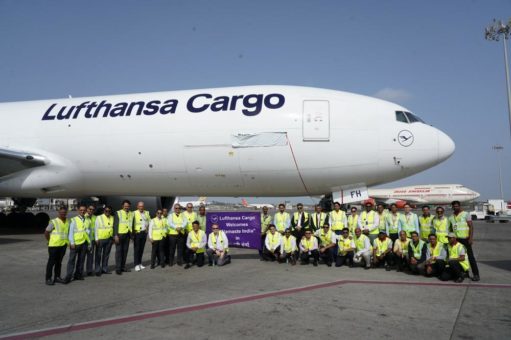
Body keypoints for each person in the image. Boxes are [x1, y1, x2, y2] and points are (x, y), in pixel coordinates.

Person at [449, 201, 480, 281]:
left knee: (470, 257)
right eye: (454, 206)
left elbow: (471, 226)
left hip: (465, 239)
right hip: (456, 239)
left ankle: (476, 274)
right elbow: (451, 229)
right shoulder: (451, 217)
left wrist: (470, 238)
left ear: (459, 206)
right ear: (452, 207)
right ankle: (464, 272)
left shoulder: (466, 214)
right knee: (459, 257)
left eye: (457, 206)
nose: (455, 207)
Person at [64, 205, 91, 283]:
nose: (82, 211)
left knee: (81, 260)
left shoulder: (87, 220)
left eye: (84, 210)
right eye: (81, 210)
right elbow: (71, 232)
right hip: (75, 243)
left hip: (84, 243)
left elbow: (88, 232)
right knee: (72, 260)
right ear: (78, 211)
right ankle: (68, 276)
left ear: (86, 211)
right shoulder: (74, 220)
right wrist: (72, 242)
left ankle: (78, 274)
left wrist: (89, 243)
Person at [44, 206, 69, 285]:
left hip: (63, 245)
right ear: (59, 213)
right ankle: (48, 278)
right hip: (54, 246)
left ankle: (57, 277)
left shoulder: (67, 221)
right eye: (61, 212)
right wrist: (49, 240)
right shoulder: (54, 221)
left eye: (64, 213)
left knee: (59, 262)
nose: (63, 214)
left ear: (66, 213)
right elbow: (47, 232)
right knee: (51, 262)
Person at [114, 200, 133, 275]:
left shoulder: (131, 213)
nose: (126, 207)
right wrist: (115, 235)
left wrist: (132, 235)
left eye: (128, 206)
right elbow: (115, 225)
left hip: (127, 235)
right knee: (119, 252)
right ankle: (118, 269)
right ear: (122, 206)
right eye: (125, 206)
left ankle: (123, 267)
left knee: (125, 252)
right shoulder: (118, 213)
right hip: (120, 235)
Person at [94, 206, 114, 276]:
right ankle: (97, 270)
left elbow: (112, 228)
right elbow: (96, 228)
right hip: (100, 239)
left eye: (109, 211)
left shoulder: (112, 218)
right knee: (98, 255)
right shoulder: (99, 217)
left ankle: (104, 269)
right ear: (104, 211)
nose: (107, 212)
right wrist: (96, 238)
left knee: (106, 255)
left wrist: (113, 238)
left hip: (109, 239)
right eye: (106, 211)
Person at [133, 201, 150, 272]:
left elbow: (149, 221)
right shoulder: (134, 213)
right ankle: (136, 265)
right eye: (140, 206)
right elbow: (131, 223)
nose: (141, 207)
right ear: (137, 207)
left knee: (141, 249)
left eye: (142, 206)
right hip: (137, 233)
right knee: (137, 249)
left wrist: (147, 228)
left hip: (144, 233)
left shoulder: (146, 213)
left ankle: (140, 263)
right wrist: (133, 232)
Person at [84, 205, 97, 276]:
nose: (91, 211)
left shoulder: (95, 217)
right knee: (82, 257)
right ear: (87, 209)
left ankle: (89, 270)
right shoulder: (84, 216)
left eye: (93, 209)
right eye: (90, 209)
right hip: (84, 240)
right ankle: (79, 272)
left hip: (92, 239)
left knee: (90, 256)